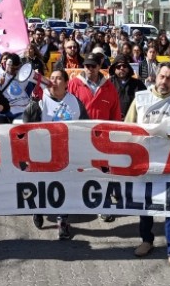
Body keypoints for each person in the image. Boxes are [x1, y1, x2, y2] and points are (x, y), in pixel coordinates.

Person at [124, 62, 170, 270]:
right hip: (145, 161)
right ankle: (146, 240)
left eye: (169, 78)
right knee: (145, 204)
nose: (164, 82)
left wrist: (163, 134)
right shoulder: (141, 99)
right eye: (162, 76)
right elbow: (128, 128)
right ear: (155, 76)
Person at [24, 70, 89, 238]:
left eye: (59, 78)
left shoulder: (74, 102)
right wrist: (33, 101)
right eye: (51, 78)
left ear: (67, 83)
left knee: (63, 186)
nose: (54, 81)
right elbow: (27, 121)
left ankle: (62, 220)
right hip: (42, 151)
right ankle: (38, 210)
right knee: (42, 185)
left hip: (65, 152)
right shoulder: (41, 98)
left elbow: (85, 124)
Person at [68, 53, 121, 222]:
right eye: (87, 65)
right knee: (78, 170)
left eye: (93, 66)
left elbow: (115, 113)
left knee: (102, 172)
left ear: (100, 67)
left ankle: (103, 204)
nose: (89, 69)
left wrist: (115, 133)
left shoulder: (109, 87)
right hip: (79, 135)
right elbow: (65, 107)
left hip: (101, 138)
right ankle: (74, 205)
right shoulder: (74, 84)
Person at [0, 53, 34, 121]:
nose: (15, 71)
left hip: (24, 109)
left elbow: (30, 89)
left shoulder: (23, 73)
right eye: (13, 68)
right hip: (7, 111)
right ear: (6, 65)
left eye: (17, 68)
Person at [109, 54, 146, 119]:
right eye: (118, 67)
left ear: (128, 68)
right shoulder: (108, 84)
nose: (122, 68)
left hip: (132, 121)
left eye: (124, 66)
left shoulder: (138, 84)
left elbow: (145, 103)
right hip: (112, 121)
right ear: (114, 69)